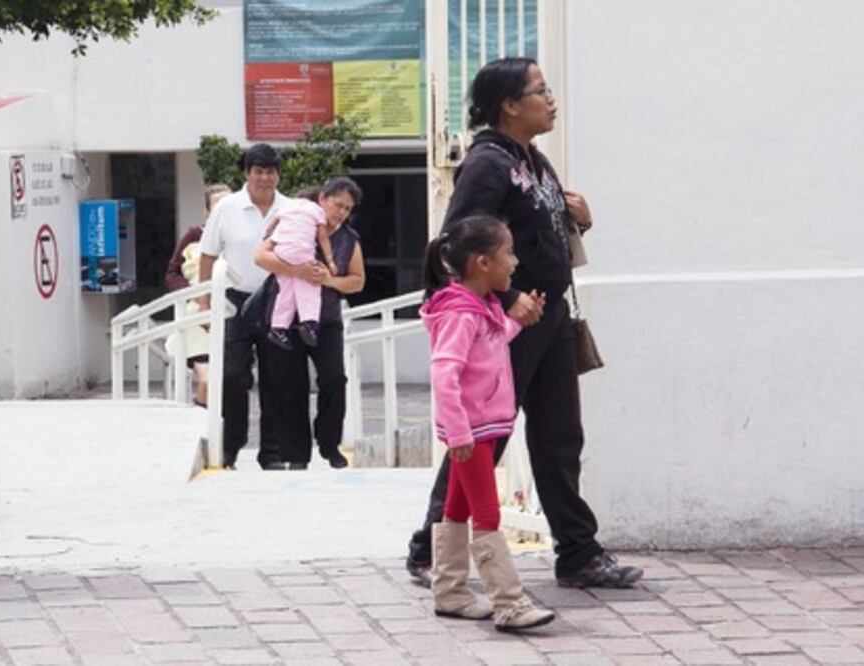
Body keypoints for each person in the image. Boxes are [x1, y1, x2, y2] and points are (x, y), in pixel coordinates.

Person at [405, 57, 645, 589]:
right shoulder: (488, 164)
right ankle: (430, 547)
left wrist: (580, 217)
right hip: (507, 325)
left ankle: (578, 553)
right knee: (484, 436)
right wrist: (508, 296)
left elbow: (542, 230)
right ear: (510, 105)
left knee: (560, 436)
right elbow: (457, 240)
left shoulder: (532, 159)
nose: (551, 99)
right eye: (541, 90)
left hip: (551, 317)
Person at [421, 215, 554, 631]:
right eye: (508, 253)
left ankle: (450, 592)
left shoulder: (481, 308)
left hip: (480, 428)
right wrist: (458, 432)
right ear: (481, 262)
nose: (514, 263)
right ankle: (509, 604)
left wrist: (518, 321)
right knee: (487, 515)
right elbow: (445, 374)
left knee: (457, 508)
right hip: (472, 432)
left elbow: (490, 347)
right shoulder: (461, 314)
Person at [254, 177, 365, 470]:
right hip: (285, 320)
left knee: (334, 379)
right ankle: (296, 455)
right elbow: (261, 257)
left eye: (347, 208)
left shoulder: (348, 239)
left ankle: (329, 445)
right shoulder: (294, 220)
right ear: (322, 199)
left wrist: (328, 279)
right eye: (338, 204)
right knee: (290, 387)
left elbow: (357, 281)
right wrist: (297, 270)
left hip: (325, 321)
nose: (341, 212)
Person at [197, 144, 292, 470]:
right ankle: (231, 447)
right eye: (258, 171)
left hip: (279, 300)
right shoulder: (227, 208)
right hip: (234, 300)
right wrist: (203, 300)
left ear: (278, 174)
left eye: (271, 171)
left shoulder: (290, 208)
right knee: (233, 376)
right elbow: (208, 255)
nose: (265, 178)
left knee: (276, 378)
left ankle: (273, 452)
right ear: (246, 173)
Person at [164, 183, 231, 406]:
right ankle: (205, 423)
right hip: (197, 319)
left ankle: (212, 426)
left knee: (228, 384)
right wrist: (192, 293)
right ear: (207, 210)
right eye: (217, 204)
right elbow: (172, 273)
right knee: (207, 382)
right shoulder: (194, 236)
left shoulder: (239, 237)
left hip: (230, 316)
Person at [263, 195, 340, 350]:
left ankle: (278, 327)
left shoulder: (287, 205)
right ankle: (309, 322)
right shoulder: (317, 210)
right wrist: (330, 261)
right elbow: (323, 238)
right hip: (301, 249)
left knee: (287, 290)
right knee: (310, 282)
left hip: (281, 250)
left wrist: (267, 235)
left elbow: (272, 223)